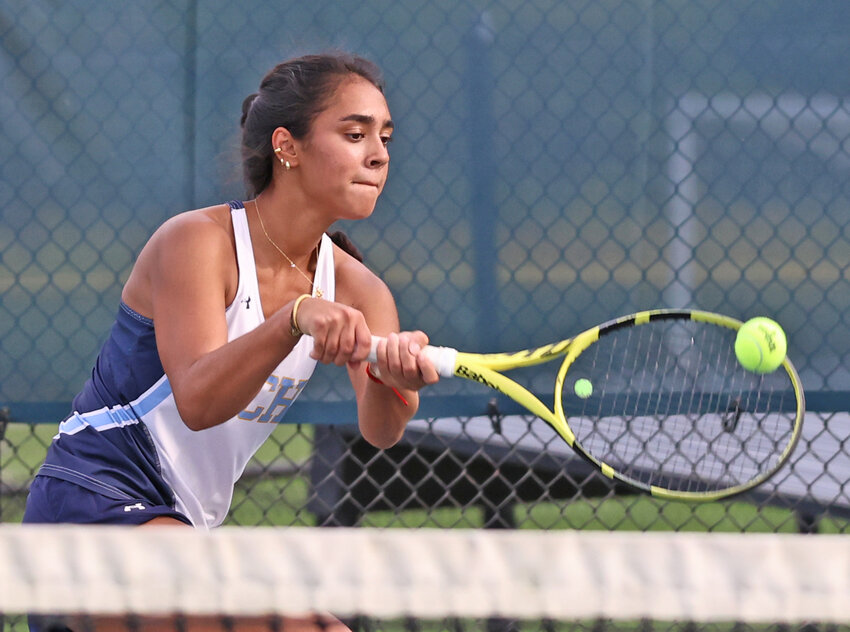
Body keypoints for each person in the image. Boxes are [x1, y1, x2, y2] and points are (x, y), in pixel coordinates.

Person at [23, 51, 440, 631]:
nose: (379, 154)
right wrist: (292, 318)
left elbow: (382, 430)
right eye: (354, 133)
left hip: (183, 525)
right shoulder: (196, 242)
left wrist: (391, 382)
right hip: (94, 498)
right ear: (286, 147)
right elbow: (197, 401)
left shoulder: (361, 290)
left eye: (385, 137)